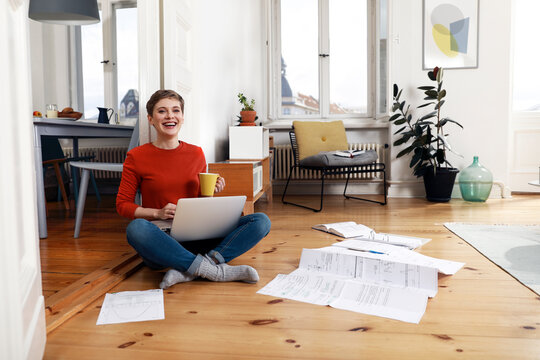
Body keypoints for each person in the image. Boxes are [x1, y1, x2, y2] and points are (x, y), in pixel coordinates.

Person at [116, 89, 271, 289]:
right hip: (163, 240)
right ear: (151, 119)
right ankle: (215, 270)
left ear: (182, 117)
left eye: (176, 110)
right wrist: (158, 212)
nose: (170, 116)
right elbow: (122, 205)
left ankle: (190, 269)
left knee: (260, 221)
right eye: (162, 111)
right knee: (136, 229)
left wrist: (212, 192)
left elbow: (199, 201)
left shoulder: (196, 153)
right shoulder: (136, 157)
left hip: (199, 237)